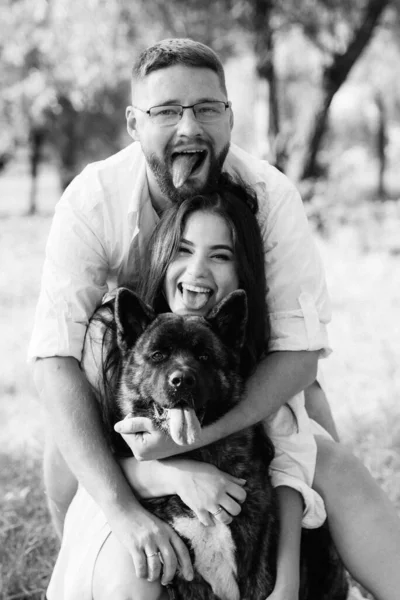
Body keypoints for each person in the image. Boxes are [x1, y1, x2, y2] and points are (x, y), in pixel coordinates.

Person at [30, 38, 400, 600]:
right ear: (133, 122)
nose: (189, 126)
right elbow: (53, 359)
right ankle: (88, 551)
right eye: (167, 110)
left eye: (207, 108)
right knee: (68, 449)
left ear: (229, 116)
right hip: (123, 404)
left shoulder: (269, 195)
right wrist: (129, 507)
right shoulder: (93, 202)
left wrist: (191, 439)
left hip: (233, 394)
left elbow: (299, 356)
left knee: (321, 448)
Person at [48, 175, 325, 600]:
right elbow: (72, 456)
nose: (180, 374)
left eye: (220, 255)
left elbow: (295, 456)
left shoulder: (262, 361)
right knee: (136, 578)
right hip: (115, 511)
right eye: (184, 250)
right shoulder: (106, 337)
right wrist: (171, 475)